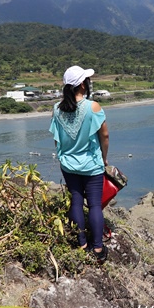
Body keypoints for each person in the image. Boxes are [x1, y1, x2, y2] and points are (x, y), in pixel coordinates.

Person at [49, 65, 110, 262]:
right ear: (83, 84)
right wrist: (104, 158)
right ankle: (98, 249)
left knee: (76, 199)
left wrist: (63, 156)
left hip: (68, 164)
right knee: (94, 205)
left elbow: (57, 138)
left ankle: (82, 243)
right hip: (91, 165)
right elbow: (105, 136)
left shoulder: (57, 109)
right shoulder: (93, 107)